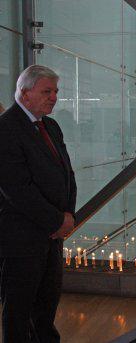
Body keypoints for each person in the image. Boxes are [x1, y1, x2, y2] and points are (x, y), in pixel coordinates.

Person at [0, 65, 77, 342]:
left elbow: (67, 174)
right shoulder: (6, 129)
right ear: (24, 93)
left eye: (55, 91)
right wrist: (57, 221)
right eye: (47, 91)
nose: (54, 97)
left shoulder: (51, 126)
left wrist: (68, 215)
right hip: (21, 239)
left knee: (46, 307)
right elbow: (17, 190)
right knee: (18, 311)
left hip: (52, 237)